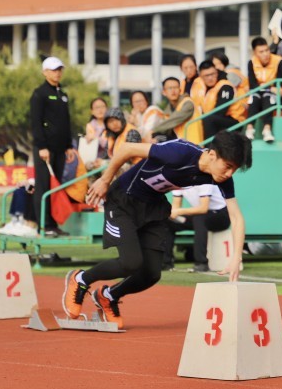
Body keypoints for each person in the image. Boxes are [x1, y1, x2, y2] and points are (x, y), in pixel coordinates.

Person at [63, 132, 252, 329]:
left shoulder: (221, 178)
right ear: (212, 155)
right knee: (130, 262)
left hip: (153, 207)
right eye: (228, 166)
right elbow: (127, 148)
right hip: (124, 201)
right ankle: (80, 279)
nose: (229, 174)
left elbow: (236, 217)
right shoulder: (179, 152)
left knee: (151, 274)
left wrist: (236, 257)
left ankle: (108, 296)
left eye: (235, 169)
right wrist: (105, 180)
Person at [29, 57, 77, 237]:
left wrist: (68, 145)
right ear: (45, 72)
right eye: (53, 70)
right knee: (43, 187)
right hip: (45, 149)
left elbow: (66, 122)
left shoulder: (62, 94)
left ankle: (53, 224)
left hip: (60, 149)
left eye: (59, 69)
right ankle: (43, 224)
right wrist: (41, 146)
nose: (57, 73)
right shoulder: (39, 94)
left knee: (56, 186)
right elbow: (36, 122)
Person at [166, 182, 233, 273]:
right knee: (168, 221)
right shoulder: (178, 182)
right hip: (200, 217)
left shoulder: (204, 181)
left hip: (221, 217)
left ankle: (201, 263)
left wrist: (177, 212)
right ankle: (165, 263)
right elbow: (176, 208)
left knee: (199, 218)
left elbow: (203, 208)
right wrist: (172, 214)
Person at [245, 37, 282, 143]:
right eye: (261, 52)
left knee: (267, 96)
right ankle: (249, 129)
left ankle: (267, 130)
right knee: (255, 97)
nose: (265, 54)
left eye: (267, 50)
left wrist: (265, 87)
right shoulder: (251, 62)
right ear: (255, 53)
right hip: (259, 94)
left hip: (276, 95)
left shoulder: (279, 61)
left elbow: (278, 84)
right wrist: (267, 87)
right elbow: (252, 85)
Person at [150, 77, 204, 144]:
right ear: (164, 92)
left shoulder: (188, 103)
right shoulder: (167, 111)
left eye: (176, 87)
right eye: (170, 88)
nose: (173, 91)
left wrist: (153, 130)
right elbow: (167, 130)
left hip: (194, 146)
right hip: (180, 145)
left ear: (180, 90)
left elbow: (173, 120)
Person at [197, 61, 239, 139]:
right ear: (201, 76)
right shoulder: (202, 88)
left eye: (212, 74)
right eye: (206, 76)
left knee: (208, 120)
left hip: (234, 121)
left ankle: (209, 146)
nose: (210, 78)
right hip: (214, 120)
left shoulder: (225, 86)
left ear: (217, 72)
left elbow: (221, 111)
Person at [82, 97, 109, 170]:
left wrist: (96, 138)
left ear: (107, 108)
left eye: (102, 107)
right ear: (92, 111)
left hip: (107, 158)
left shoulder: (111, 124)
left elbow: (109, 144)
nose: (100, 110)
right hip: (93, 159)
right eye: (97, 108)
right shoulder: (90, 126)